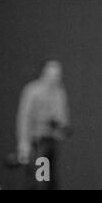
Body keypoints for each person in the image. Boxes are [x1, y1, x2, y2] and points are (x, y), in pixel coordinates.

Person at [16, 60, 70, 190]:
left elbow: (63, 118)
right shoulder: (33, 90)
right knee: (40, 179)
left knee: (51, 180)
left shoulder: (59, 92)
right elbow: (25, 117)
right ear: (44, 73)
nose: (56, 78)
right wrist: (24, 143)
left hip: (51, 143)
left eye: (58, 75)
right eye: (53, 74)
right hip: (37, 144)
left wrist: (60, 128)